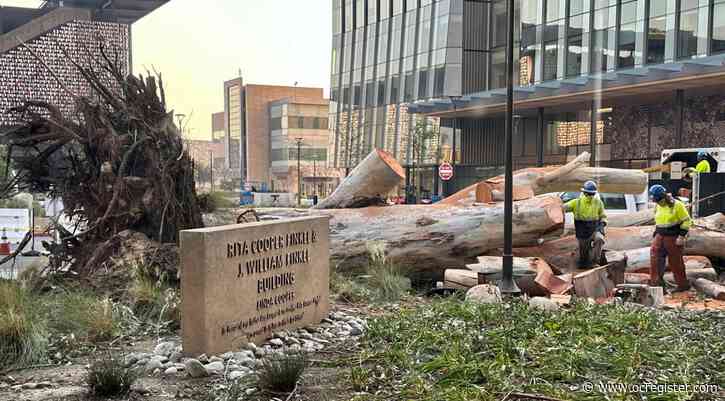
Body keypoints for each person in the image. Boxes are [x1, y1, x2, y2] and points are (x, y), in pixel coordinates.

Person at [649, 185, 692, 292]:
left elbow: (687, 221)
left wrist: (682, 236)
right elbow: (658, 220)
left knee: (676, 262)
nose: (658, 203)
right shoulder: (658, 205)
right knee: (655, 259)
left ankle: (682, 285)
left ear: (664, 196)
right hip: (660, 235)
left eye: (659, 200)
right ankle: (657, 285)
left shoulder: (677, 205)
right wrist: (656, 233)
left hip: (673, 236)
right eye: (656, 201)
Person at [563, 181, 607, 268]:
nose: (590, 196)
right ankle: (584, 262)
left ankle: (595, 262)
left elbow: (603, 216)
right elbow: (563, 207)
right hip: (582, 232)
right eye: (588, 194)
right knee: (583, 257)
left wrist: (602, 224)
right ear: (584, 193)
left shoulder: (598, 203)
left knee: (599, 239)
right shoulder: (576, 203)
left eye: (592, 194)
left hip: (595, 229)